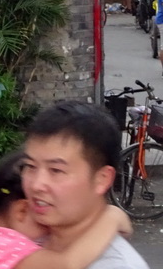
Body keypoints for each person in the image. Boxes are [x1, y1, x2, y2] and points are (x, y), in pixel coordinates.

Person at [0, 150, 132, 269]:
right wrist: (111, 216)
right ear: (22, 210)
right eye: (42, 214)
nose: (49, 230)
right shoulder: (10, 247)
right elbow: (69, 264)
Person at [21, 101, 149, 269]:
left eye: (56, 170)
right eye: (30, 166)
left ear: (101, 179)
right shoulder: (19, 233)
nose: (37, 185)